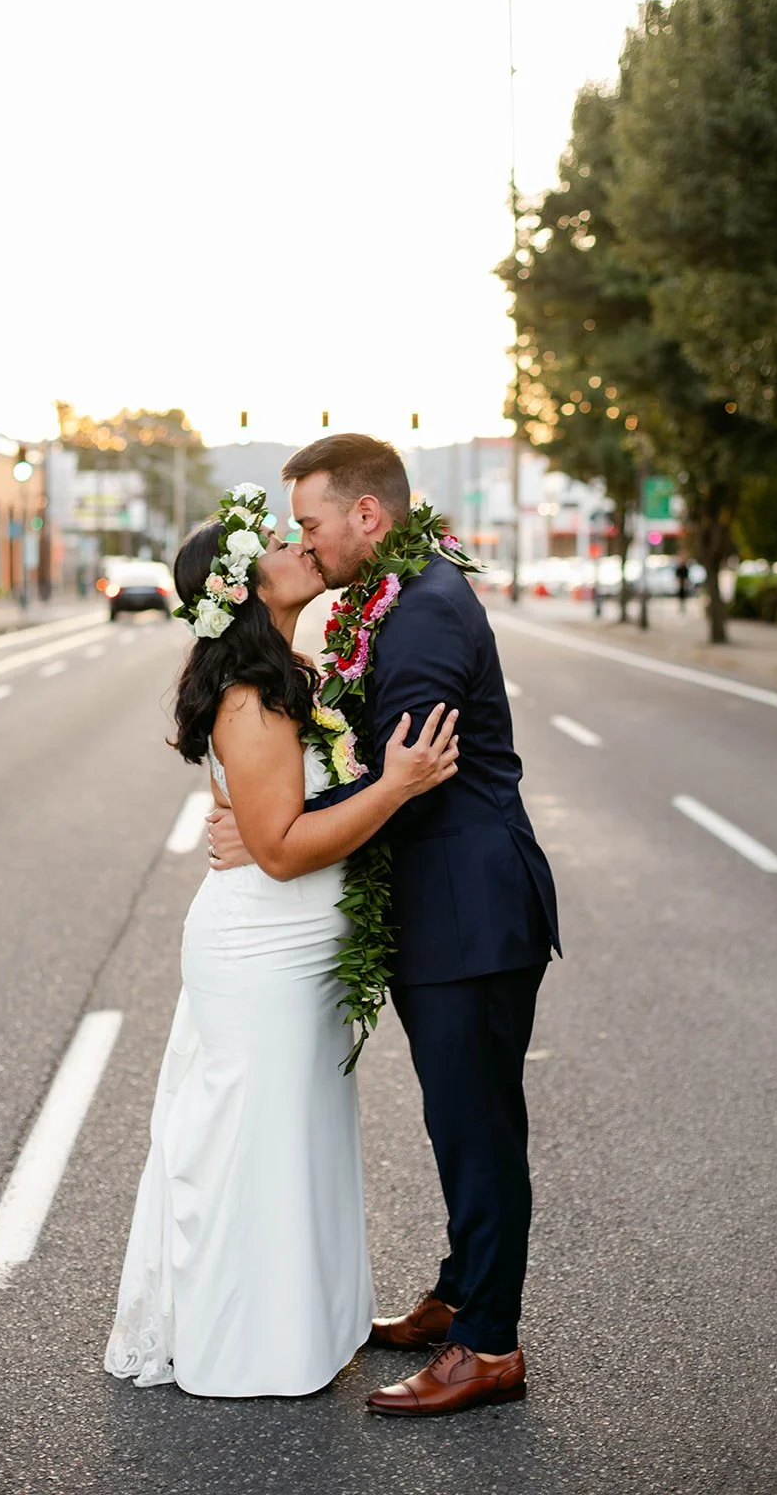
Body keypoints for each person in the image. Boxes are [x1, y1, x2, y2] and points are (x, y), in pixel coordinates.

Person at [210, 435, 561, 1417]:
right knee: (458, 1119)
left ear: (367, 517)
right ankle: (459, 1295)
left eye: (312, 522)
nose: (304, 542)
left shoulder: (426, 616)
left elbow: (402, 779)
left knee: (478, 1126)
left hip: (470, 908)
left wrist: (277, 826)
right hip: (442, 905)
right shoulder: (397, 599)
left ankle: (487, 1345)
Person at [103, 490, 459, 1399]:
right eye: (274, 544)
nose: (296, 547)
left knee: (295, 1139)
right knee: (252, 1144)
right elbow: (283, 847)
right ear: (243, 589)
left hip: (292, 946)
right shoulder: (254, 699)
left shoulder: (287, 673)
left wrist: (265, 819)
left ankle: (296, 1326)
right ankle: (243, 1344)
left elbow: (269, 821)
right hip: (265, 951)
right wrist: (399, 785)